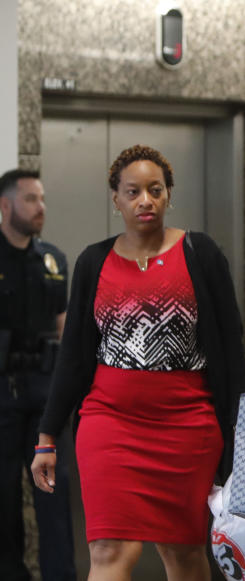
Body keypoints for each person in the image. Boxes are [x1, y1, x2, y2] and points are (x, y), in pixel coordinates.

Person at [30, 145, 245, 580]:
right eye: (133, 192)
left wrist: (240, 431)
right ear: (116, 199)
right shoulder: (95, 261)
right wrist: (47, 435)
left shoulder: (199, 253)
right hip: (110, 422)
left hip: (188, 425)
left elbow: (231, 349)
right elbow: (73, 355)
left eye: (155, 189)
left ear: (168, 194)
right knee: (110, 551)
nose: (145, 200)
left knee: (184, 553)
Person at [0, 169, 76, 581]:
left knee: (54, 490)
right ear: (6, 205)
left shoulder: (53, 260)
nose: (40, 207)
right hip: (1, 392)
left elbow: (64, 327)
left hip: (45, 393)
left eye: (42, 198)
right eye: (30, 199)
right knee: (3, 495)